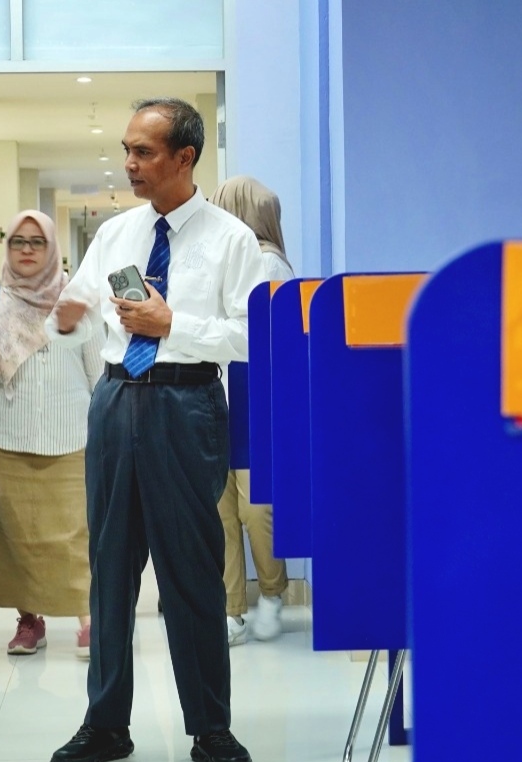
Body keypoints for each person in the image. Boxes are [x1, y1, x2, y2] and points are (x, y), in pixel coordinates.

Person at [46, 99, 265, 762]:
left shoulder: (232, 240)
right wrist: (63, 318)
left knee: (192, 571)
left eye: (143, 152)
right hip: (116, 401)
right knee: (110, 570)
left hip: (187, 404)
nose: (130, 163)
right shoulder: (116, 233)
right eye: (127, 150)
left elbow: (251, 337)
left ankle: (211, 728)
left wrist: (174, 326)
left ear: (185, 157)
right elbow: (79, 313)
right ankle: (105, 723)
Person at [0, 210, 102, 659]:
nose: (27, 250)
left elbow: (98, 373)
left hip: (71, 435)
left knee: (77, 532)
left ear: (52, 249)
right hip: (2, 438)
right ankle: (29, 620)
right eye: (18, 241)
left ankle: (89, 619)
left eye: (37, 242)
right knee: (15, 536)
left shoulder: (76, 303)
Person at [211, 175, 294, 646]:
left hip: (253, 395)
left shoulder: (267, 263)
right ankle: (231, 608)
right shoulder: (222, 259)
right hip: (216, 391)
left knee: (256, 507)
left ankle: (272, 593)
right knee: (219, 508)